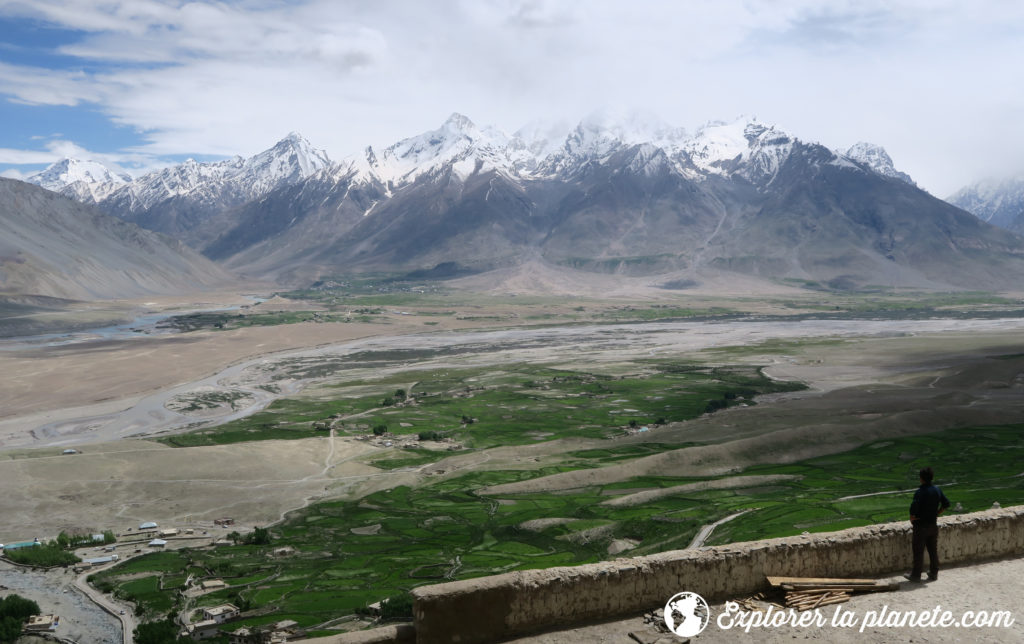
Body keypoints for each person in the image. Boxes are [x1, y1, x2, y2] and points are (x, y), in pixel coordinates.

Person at [905, 466, 950, 582]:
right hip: (933, 525)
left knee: (918, 551)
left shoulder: (920, 492)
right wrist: (937, 513)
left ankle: (916, 575)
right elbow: (946, 503)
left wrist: (912, 518)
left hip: (920, 526)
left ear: (921, 478)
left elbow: (913, 508)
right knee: (932, 550)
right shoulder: (937, 490)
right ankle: (934, 573)